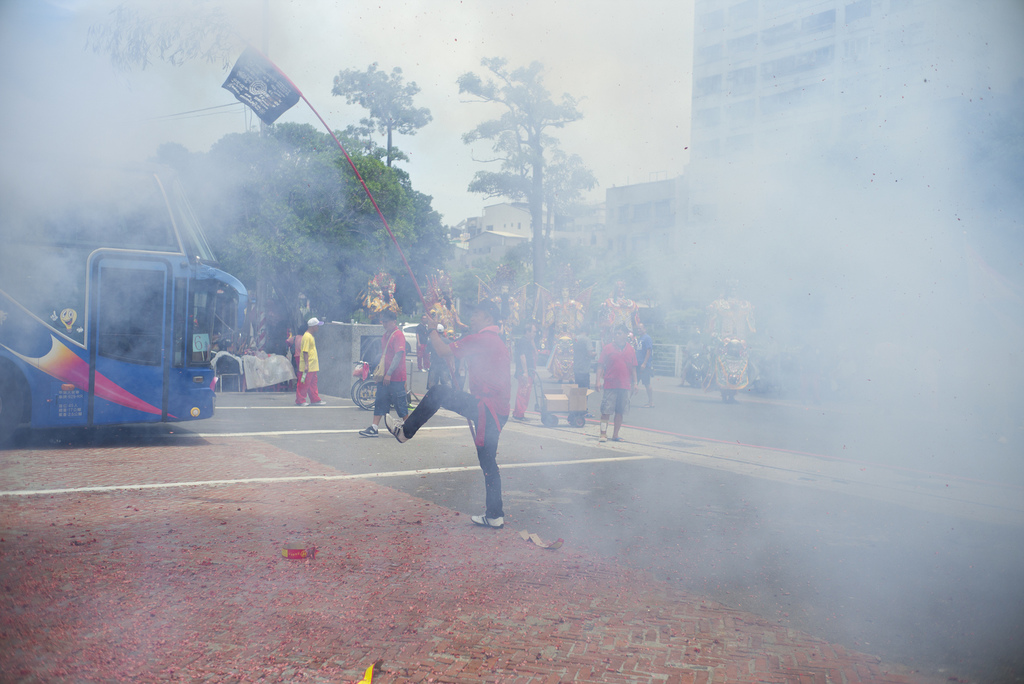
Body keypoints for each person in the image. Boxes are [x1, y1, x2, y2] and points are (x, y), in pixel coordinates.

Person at [383, 299, 511, 529]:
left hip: (487, 407)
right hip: (496, 409)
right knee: (488, 462)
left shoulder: (484, 339)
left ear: (488, 318)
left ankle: (405, 432)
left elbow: (442, 350)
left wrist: (432, 329)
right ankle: (495, 515)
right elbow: (460, 356)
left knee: (439, 393)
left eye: (477, 315)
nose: (472, 318)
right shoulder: (494, 341)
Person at [359, 310, 408, 437]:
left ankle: (408, 427)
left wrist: (389, 373)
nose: (384, 324)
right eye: (383, 321)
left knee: (399, 403)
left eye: (386, 322)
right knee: (380, 400)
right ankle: (374, 427)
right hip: (385, 377)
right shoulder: (385, 335)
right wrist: (380, 375)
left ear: (394, 322)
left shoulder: (398, 335)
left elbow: (398, 355)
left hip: (396, 377)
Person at [596, 324, 637, 442]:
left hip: (625, 385)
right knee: (606, 411)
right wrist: (598, 380)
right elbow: (600, 365)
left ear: (625, 335)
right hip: (610, 384)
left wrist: (635, 383)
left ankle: (615, 434)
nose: (617, 335)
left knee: (620, 411)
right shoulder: (607, 348)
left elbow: (634, 368)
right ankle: (603, 434)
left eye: (619, 333)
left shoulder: (630, 349)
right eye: (616, 333)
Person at [296, 317, 326, 406]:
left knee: (313, 383)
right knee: (304, 383)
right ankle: (300, 400)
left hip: (313, 366)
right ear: (313, 326)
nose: (318, 328)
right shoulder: (307, 336)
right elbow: (305, 351)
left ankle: (315, 399)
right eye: (317, 326)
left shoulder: (310, 336)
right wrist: (306, 365)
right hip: (308, 366)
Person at [512, 320, 538, 421]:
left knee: (526, 393)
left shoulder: (529, 342)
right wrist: (525, 372)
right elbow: (522, 357)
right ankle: (519, 414)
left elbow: (536, 354)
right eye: (533, 331)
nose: (535, 334)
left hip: (530, 371)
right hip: (524, 372)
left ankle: (519, 413)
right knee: (523, 392)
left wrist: (532, 341)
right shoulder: (523, 341)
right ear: (527, 331)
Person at [636, 322, 654, 407]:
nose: (639, 330)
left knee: (647, 383)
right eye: (638, 328)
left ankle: (651, 402)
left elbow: (648, 350)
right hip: (638, 364)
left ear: (645, 329)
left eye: (640, 328)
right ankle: (626, 401)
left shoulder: (647, 338)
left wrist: (644, 363)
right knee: (634, 382)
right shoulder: (640, 338)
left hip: (644, 365)